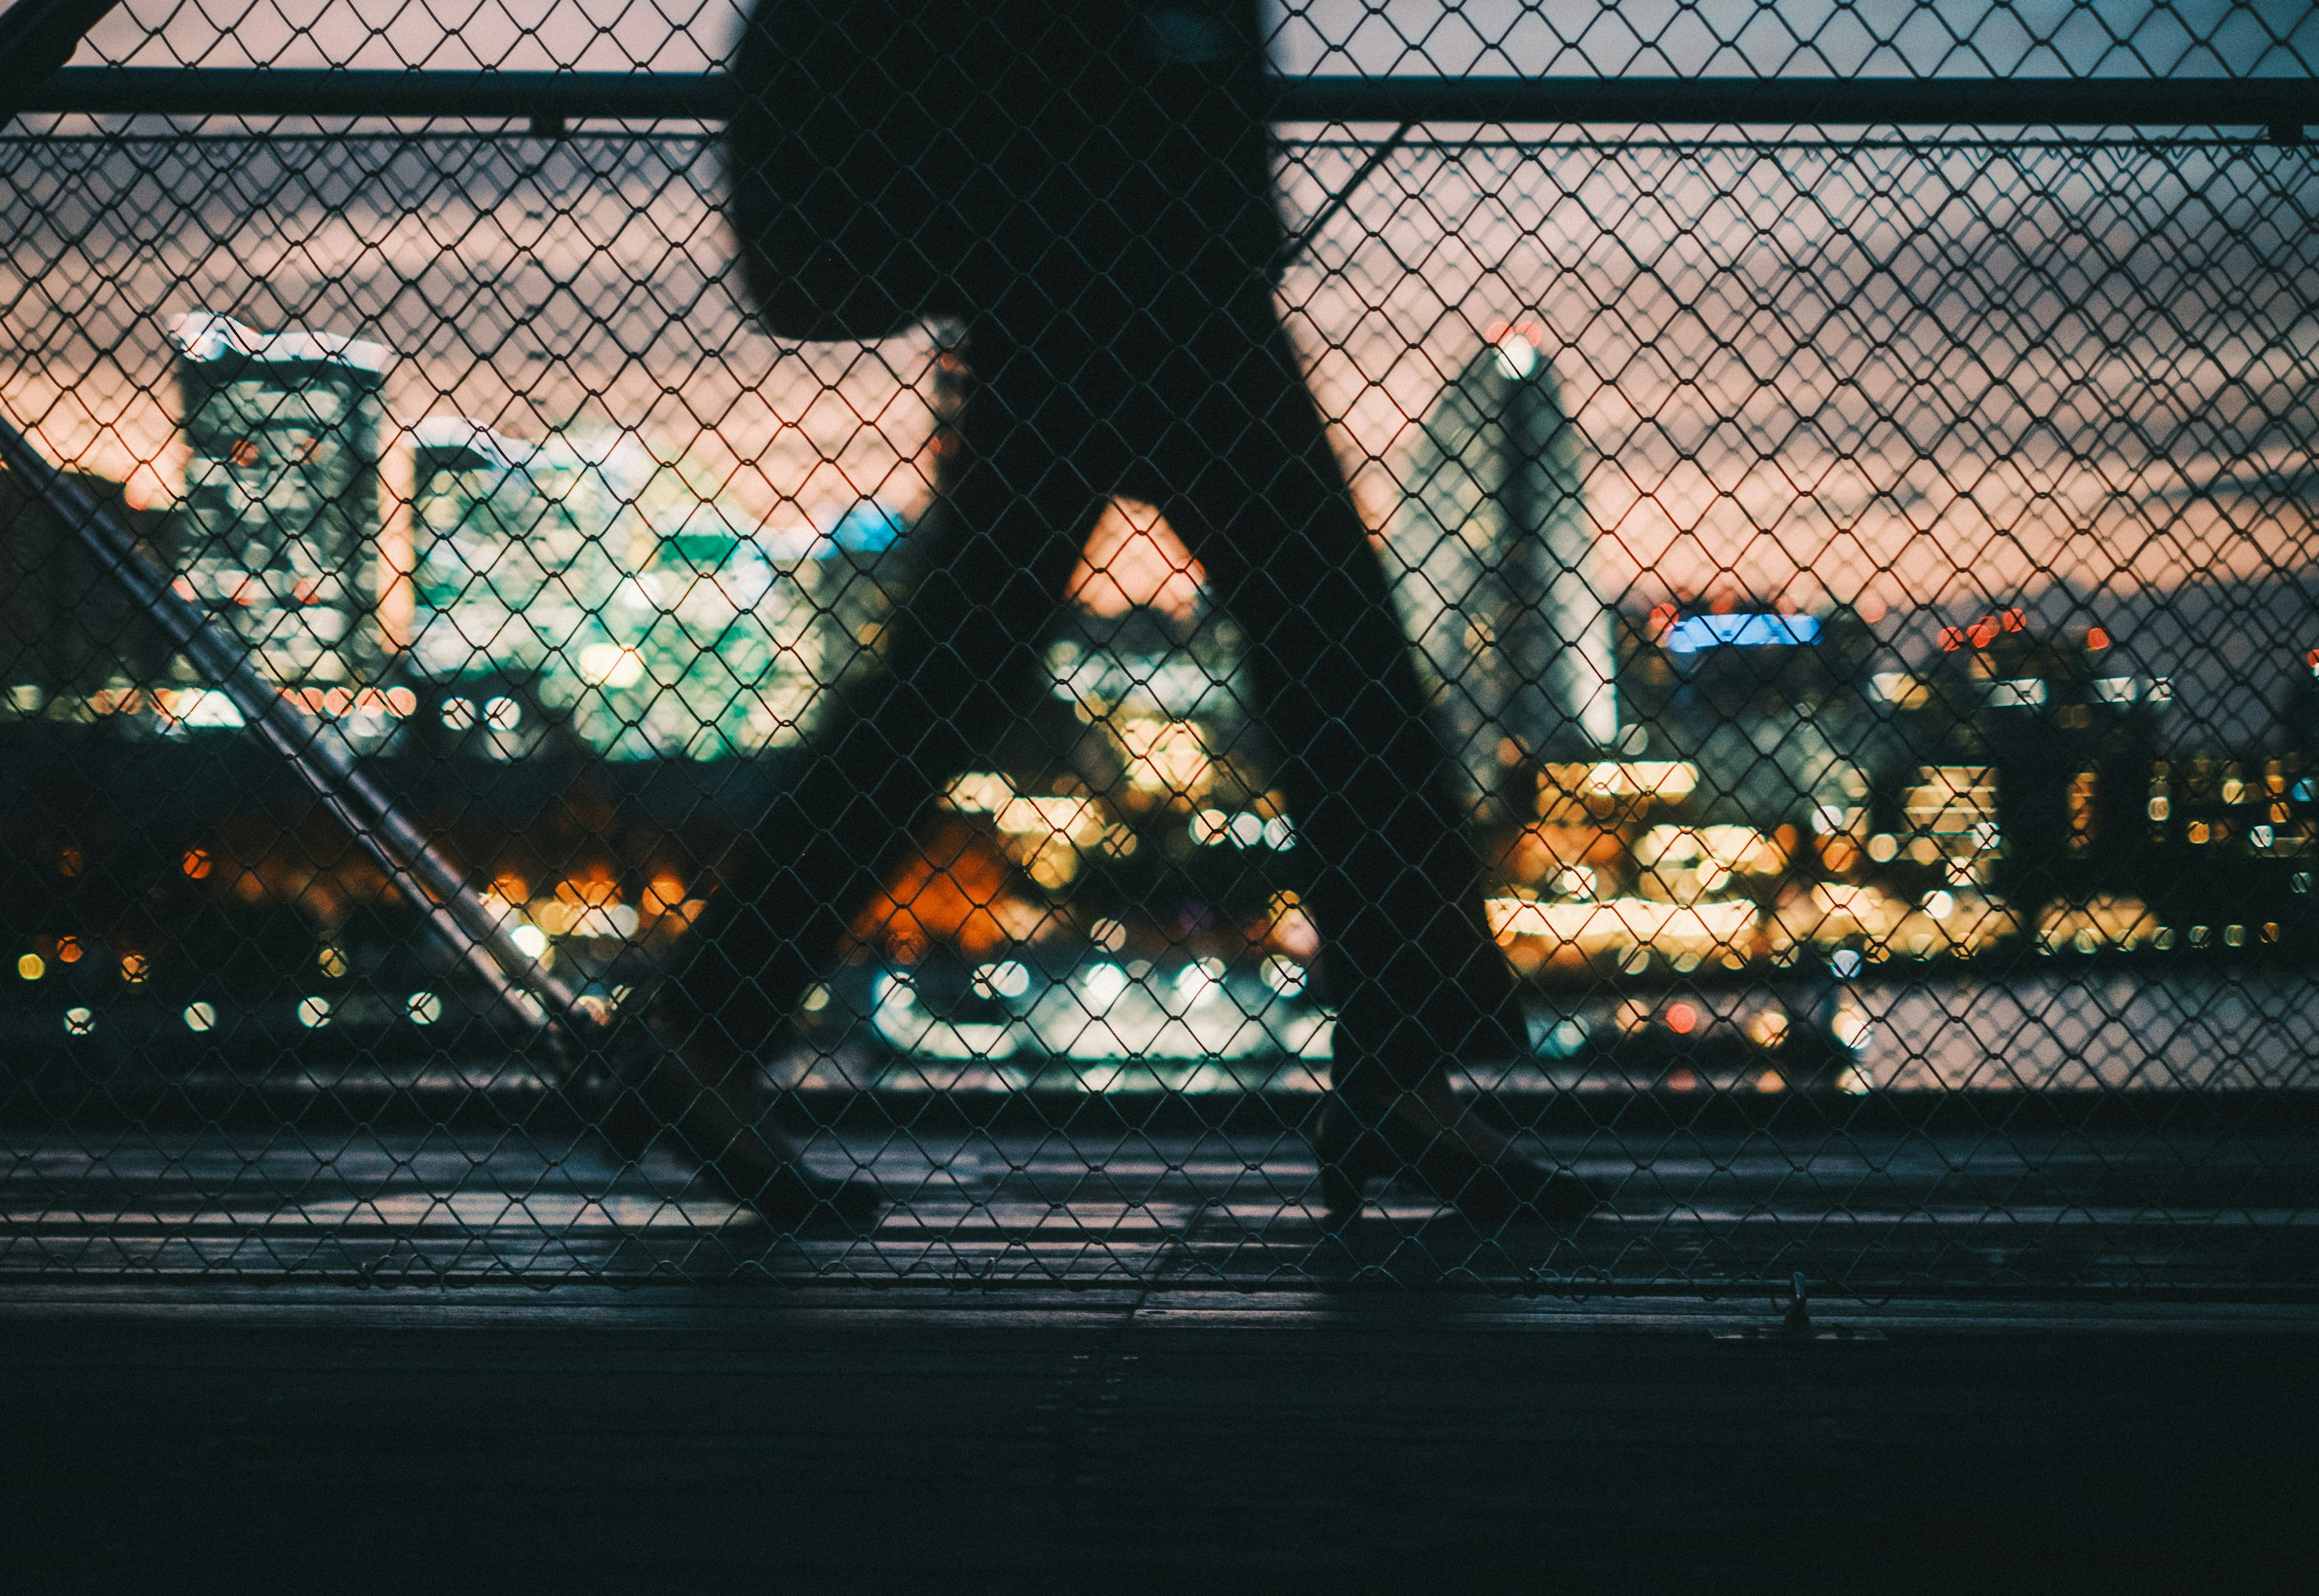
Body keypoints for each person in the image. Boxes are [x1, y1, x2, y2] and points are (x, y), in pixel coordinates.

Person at [613, 0, 1598, 1237]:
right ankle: (1401, 1072)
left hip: (1089, 278)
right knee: (1326, 648)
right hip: (1133, 277)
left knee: (974, 670)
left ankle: (710, 1028)